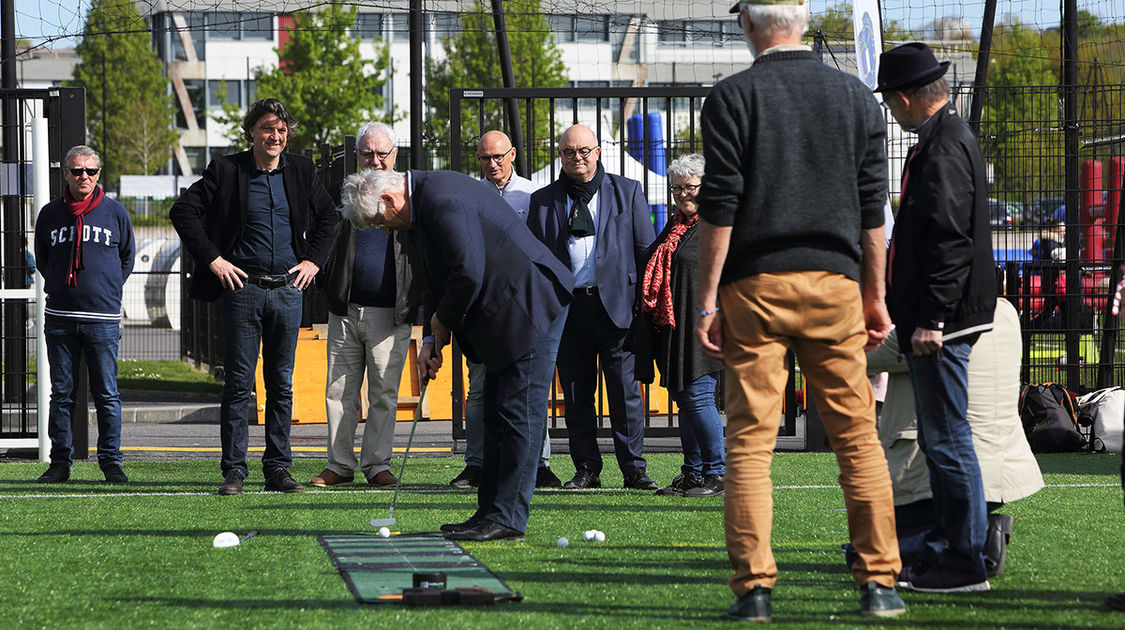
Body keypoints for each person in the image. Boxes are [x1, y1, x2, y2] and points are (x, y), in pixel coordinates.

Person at [696, 0, 905, 620]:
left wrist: (707, 301)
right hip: (836, 282)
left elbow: (719, 207)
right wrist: (875, 293)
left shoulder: (731, 98)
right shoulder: (855, 99)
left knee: (750, 444)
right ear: (804, 18)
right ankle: (880, 583)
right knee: (857, 438)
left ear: (747, 24)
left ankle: (755, 590)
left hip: (755, 286)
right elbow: (873, 211)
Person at [340, 168, 573, 541]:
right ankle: (489, 513)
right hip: (503, 312)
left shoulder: (441, 199)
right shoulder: (417, 210)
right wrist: (431, 340)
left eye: (378, 222)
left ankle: (508, 519)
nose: (383, 230)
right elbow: (434, 278)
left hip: (530, 305)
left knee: (517, 413)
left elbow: (467, 272)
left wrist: (443, 324)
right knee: (496, 412)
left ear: (388, 199)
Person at [170, 98, 338, 495]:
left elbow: (330, 217)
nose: (275, 136)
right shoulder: (226, 170)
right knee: (238, 384)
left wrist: (313, 261)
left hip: (288, 291)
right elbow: (184, 212)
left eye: (281, 130)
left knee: (281, 385)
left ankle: (278, 469)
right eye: (267, 129)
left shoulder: (300, 170)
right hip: (242, 291)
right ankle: (234, 471)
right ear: (251, 132)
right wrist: (213, 259)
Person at [878, 42, 997, 593]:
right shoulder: (948, 137)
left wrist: (931, 319)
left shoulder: (943, 147)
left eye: (891, 102)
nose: (892, 112)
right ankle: (958, 544)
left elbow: (949, 242)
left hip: (943, 321)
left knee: (946, 439)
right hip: (948, 315)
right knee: (943, 438)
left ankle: (965, 557)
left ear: (905, 98)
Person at [861, 299, 1043, 576]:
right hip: (1001, 468)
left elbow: (859, 356)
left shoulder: (930, 325)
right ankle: (973, 531)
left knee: (869, 552)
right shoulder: (1006, 311)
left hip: (934, 474)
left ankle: (977, 539)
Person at [527, 124, 657, 490]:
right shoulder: (543, 200)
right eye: (569, 152)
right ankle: (586, 469)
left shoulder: (627, 191)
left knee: (625, 394)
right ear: (560, 155)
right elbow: (536, 260)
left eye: (584, 151)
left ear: (597, 151)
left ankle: (634, 469)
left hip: (617, 309)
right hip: (568, 312)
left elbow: (645, 252)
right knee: (577, 395)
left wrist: (642, 308)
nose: (577, 158)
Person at [310, 121, 421, 488]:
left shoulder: (408, 197)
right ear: (357, 156)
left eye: (381, 153)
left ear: (395, 155)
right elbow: (320, 242)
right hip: (345, 309)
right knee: (339, 392)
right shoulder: (342, 194)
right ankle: (339, 465)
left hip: (391, 312)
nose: (374, 160)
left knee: (384, 394)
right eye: (367, 153)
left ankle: (377, 465)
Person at [449, 129, 560, 490]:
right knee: (479, 388)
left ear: (513, 154)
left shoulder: (534, 195)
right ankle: (477, 464)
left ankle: (538, 464)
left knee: (530, 387)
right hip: (482, 305)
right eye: (484, 158)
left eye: (498, 156)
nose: (492, 164)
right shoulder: (469, 195)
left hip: (525, 305)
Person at [34, 145, 135, 484]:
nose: (84, 177)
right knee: (62, 394)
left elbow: (126, 258)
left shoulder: (115, 212)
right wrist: (65, 288)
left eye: (91, 171)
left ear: (99, 174)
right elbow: (43, 259)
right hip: (61, 317)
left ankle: (111, 462)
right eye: (77, 171)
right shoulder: (50, 214)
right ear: (65, 174)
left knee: (107, 393)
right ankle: (60, 462)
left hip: (103, 319)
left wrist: (104, 291)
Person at [631, 153, 725, 497]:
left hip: (703, 326)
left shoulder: (715, 224)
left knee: (699, 398)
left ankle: (717, 473)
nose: (683, 195)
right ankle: (694, 472)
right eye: (676, 189)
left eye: (690, 188)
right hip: (676, 326)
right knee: (686, 398)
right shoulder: (678, 225)